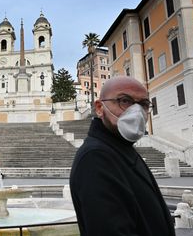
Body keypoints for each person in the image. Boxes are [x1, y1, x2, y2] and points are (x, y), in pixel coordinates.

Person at [69, 77, 175, 236]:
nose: (137, 111)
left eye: (144, 104)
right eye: (125, 101)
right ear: (99, 108)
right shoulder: (95, 158)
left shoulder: (120, 148)